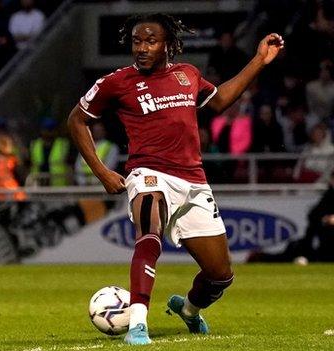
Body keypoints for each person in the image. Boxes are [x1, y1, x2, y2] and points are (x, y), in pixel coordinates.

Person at [68, 13, 283, 345]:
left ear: (168, 44)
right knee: (149, 234)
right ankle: (138, 325)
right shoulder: (117, 82)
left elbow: (222, 100)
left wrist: (259, 60)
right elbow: (76, 120)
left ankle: (189, 310)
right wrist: (102, 171)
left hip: (194, 182)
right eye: (137, 41)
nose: (141, 48)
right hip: (149, 174)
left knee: (220, 276)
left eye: (150, 41)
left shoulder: (187, 75)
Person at [29, 117, 71, 186]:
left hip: (58, 185)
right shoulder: (35, 145)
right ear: (41, 130)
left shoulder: (63, 144)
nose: (48, 132)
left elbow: (70, 165)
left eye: (51, 129)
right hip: (38, 184)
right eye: (46, 129)